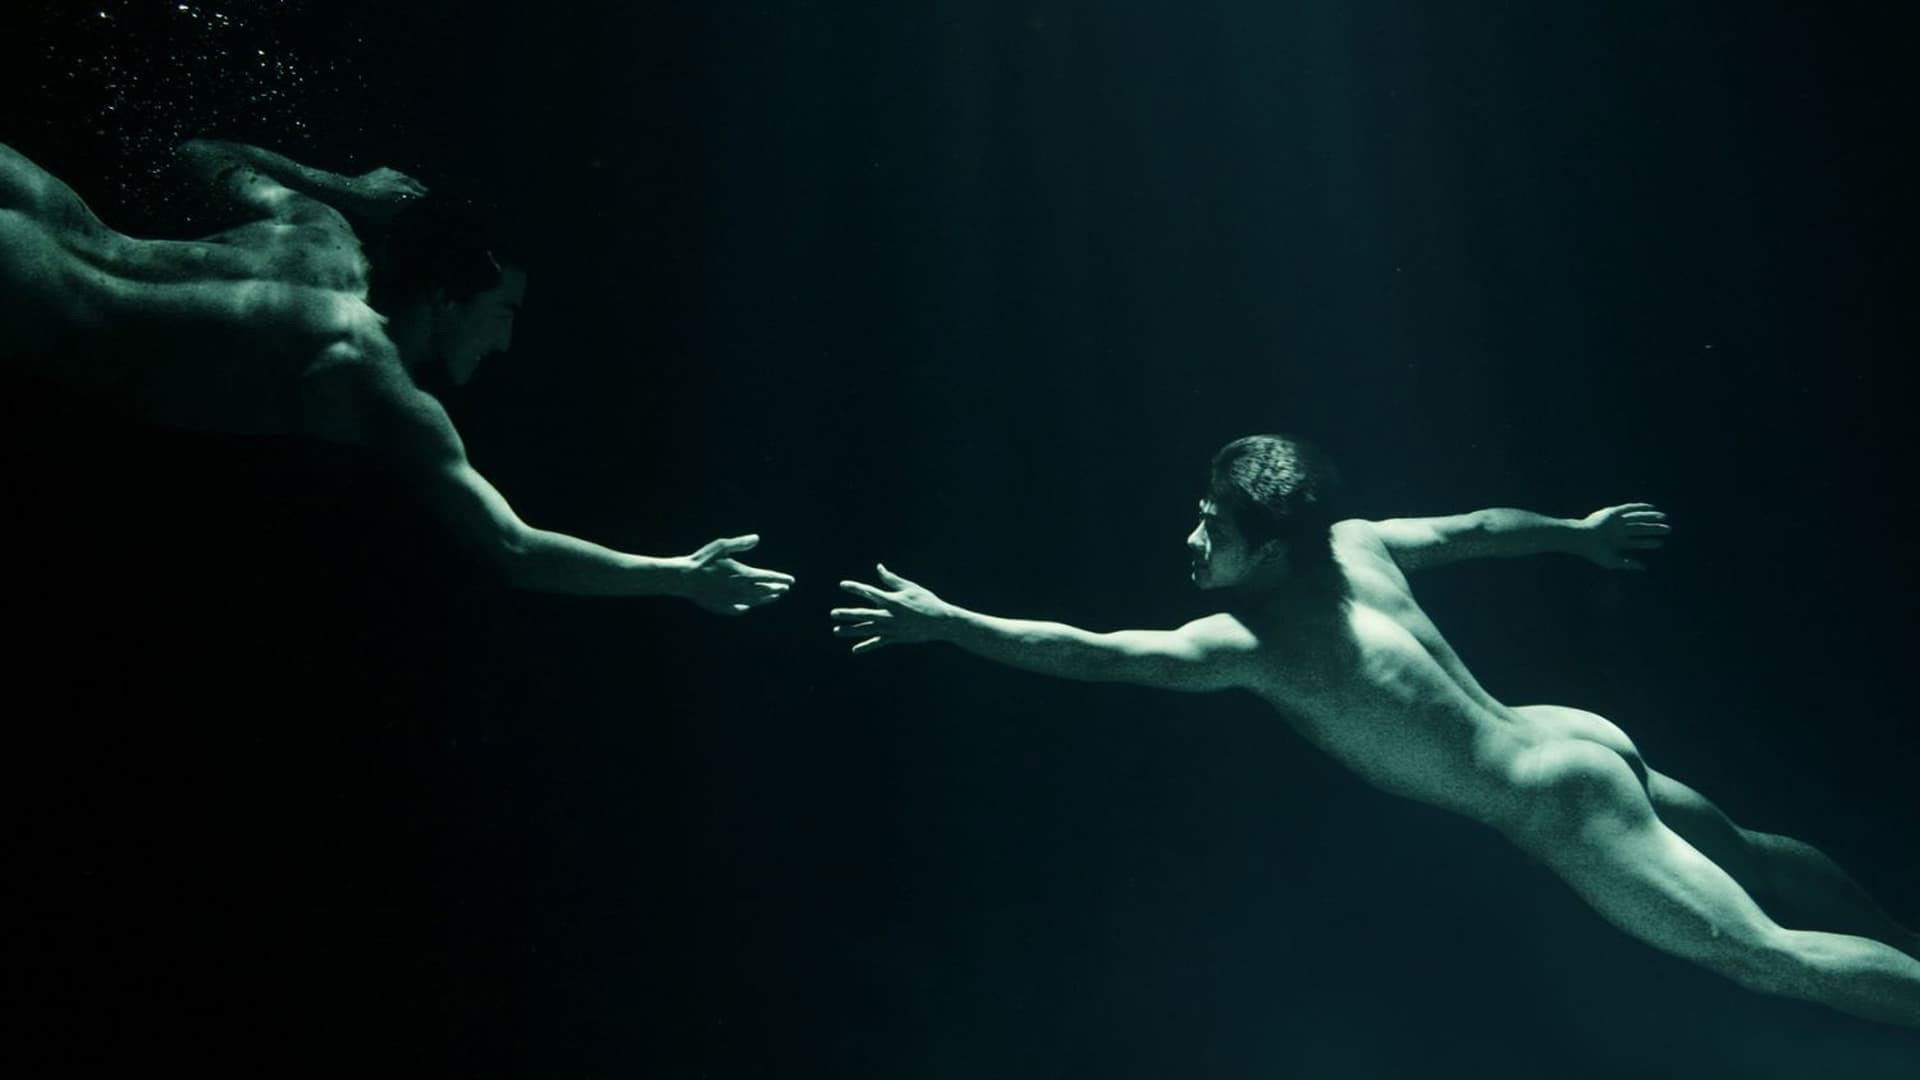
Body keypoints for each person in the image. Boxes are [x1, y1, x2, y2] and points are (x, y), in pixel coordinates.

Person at [831, 433, 1920, 1027]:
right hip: (1568, 734)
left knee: (1764, 956)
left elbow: (1091, 652)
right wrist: (1576, 533)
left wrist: (952, 624)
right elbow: (1480, 527)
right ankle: (1902, 938)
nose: (1192, 539)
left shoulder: (1253, 644)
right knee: (1750, 851)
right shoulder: (1357, 544)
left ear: (1267, 550)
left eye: (1211, 526)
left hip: (1554, 802)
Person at [0, 138, 792, 612]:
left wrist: (351, 190)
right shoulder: (373, 378)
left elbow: (201, 154)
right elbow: (514, 548)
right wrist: (676, 576)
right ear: (450, 296)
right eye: (504, 313)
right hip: (32, 299)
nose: (506, 342)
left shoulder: (323, 232)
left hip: (37, 206)